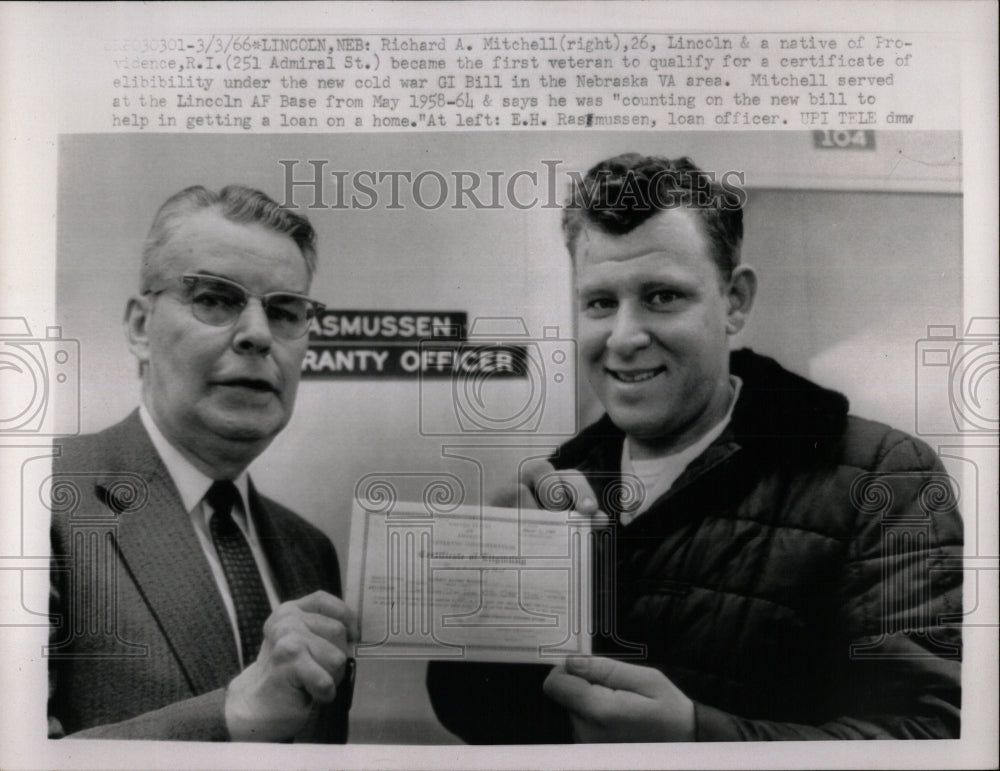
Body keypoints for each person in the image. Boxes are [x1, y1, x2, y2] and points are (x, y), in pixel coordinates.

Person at [426, 153, 963, 741]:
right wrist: (491, 593)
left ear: (734, 301)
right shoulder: (558, 482)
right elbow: (476, 716)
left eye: (662, 296)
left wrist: (694, 737)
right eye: (600, 302)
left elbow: (931, 732)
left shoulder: (883, 478)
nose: (625, 337)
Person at [48, 185, 356, 742]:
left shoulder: (311, 552)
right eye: (215, 299)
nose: (259, 335)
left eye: (286, 311)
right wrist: (231, 716)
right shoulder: (36, 498)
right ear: (141, 328)